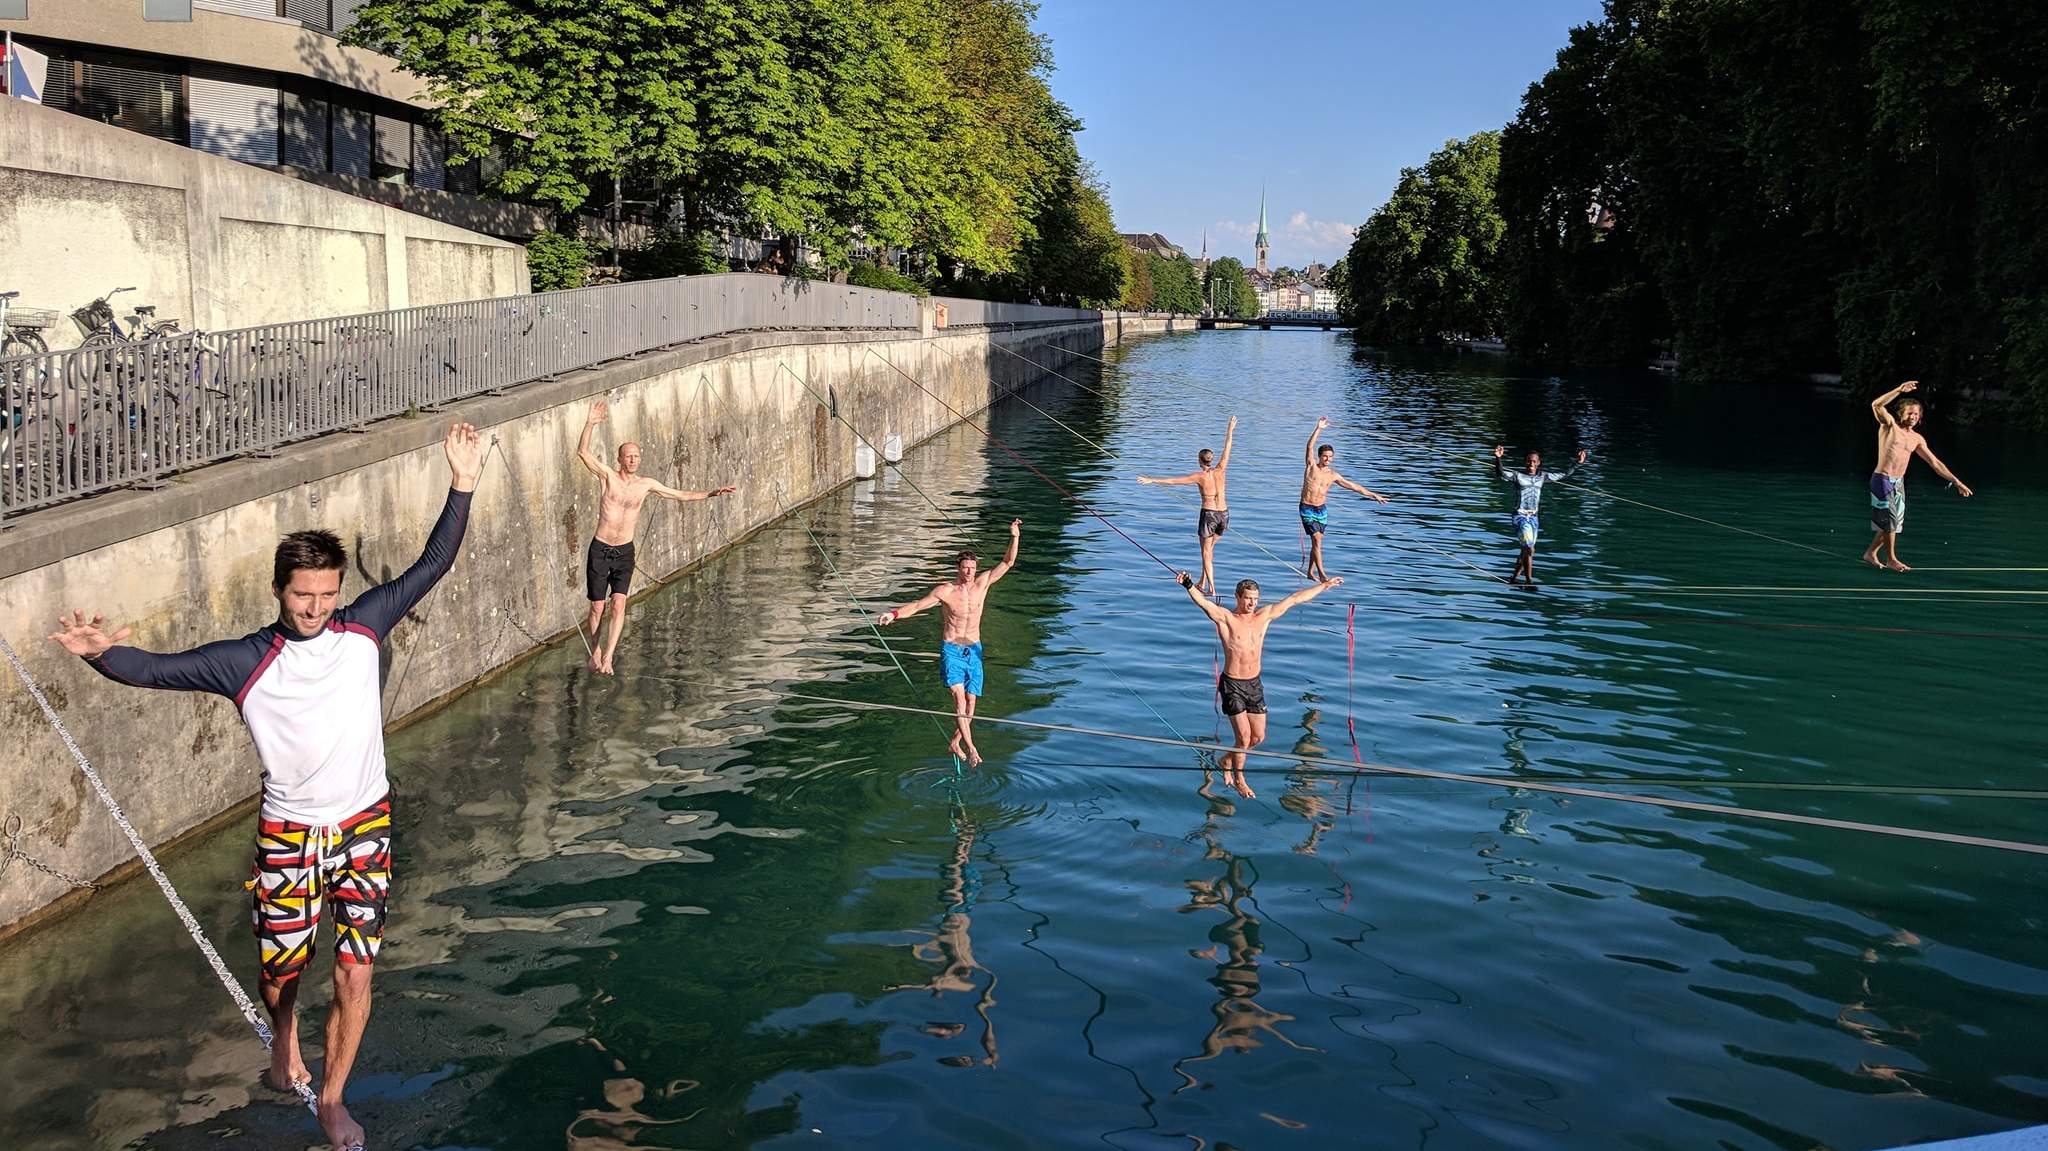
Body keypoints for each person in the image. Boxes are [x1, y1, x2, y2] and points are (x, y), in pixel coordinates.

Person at [48, 422, 486, 1151]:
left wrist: (462, 482)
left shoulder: (364, 627)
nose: (316, 607)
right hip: (287, 835)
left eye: (327, 593)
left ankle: (335, 1097)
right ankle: (283, 1034)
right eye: (302, 594)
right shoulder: (244, 660)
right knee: (282, 973)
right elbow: (155, 669)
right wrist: (100, 655)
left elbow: (431, 563)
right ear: (279, 589)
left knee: (354, 969)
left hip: (365, 825)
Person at [578, 399, 736, 674]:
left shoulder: (646, 485)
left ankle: (609, 657)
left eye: (636, 456)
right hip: (600, 548)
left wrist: (711, 493)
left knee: (619, 603)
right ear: (619, 459)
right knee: (597, 607)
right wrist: (590, 423)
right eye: (628, 456)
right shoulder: (608, 477)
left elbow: (680, 495)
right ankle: (595, 652)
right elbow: (582, 452)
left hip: (624, 550)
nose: (633, 460)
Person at [1177, 571, 1342, 799]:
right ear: (1237, 597)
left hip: (1254, 684)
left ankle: (1227, 759)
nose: (1252, 602)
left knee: (1258, 738)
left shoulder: (1263, 616)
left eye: (1255, 598)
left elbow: (1295, 598)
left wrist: (1324, 586)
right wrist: (1187, 584)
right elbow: (1204, 603)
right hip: (1232, 685)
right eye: (1248, 598)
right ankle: (1239, 778)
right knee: (1243, 738)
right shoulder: (1227, 619)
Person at [876, 519, 1023, 767]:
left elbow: (1007, 562)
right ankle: (972, 747)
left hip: (974, 649)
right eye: (965, 568)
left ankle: (956, 741)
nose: (969, 572)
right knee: (959, 700)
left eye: (972, 568)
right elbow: (918, 605)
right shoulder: (945, 591)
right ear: (958, 568)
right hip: (952, 649)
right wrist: (895, 614)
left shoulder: (983, 583)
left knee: (972, 702)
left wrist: (1015, 536)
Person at [1864, 380, 1972, 571]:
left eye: (1916, 414)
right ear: (1901, 414)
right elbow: (1876, 405)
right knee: (1889, 521)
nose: (1913, 416)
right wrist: (1898, 390)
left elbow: (1935, 463)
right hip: (1882, 479)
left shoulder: (1916, 439)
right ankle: (1891, 559)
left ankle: (1871, 553)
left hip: (1898, 483)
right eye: (1909, 413)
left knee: (1894, 524)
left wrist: (1956, 481)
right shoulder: (1889, 427)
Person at [1137, 415, 1236, 595]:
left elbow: (1174, 481)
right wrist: (1230, 430)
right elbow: (1227, 448)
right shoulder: (1221, 469)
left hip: (1209, 515)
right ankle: (1202, 581)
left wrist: (1151, 479)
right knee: (1210, 549)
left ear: (1199, 461)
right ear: (1211, 460)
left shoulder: (1199, 476)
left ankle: (1212, 589)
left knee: (1206, 552)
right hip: (1224, 514)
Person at [1299, 416, 1390, 581]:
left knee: (1317, 542)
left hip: (1321, 509)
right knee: (1317, 539)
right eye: (1325, 456)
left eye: (1330, 457)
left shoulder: (1333, 475)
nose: (1328, 459)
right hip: (1307, 507)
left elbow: (1354, 486)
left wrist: (1373, 495)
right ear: (1319, 456)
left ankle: (1310, 571)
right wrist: (1318, 428)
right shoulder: (1311, 466)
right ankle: (1322, 574)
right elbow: (1309, 446)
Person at [1493, 444, 1588, 585]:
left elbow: (1563, 475)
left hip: (1534, 518)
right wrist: (1498, 459)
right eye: (1528, 461)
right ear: (1525, 462)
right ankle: (1529, 581)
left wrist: (1578, 463)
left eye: (1534, 461)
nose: (1531, 463)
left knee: (1527, 550)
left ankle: (1513, 579)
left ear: (1538, 463)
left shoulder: (1543, 477)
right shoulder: (1517, 476)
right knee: (1529, 548)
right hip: (1520, 516)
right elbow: (1501, 473)